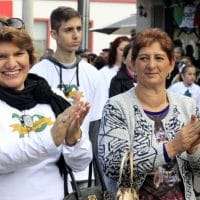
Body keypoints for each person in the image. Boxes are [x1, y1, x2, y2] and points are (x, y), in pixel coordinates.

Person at [98, 28, 200, 200]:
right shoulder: (116, 107)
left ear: (171, 65)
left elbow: (197, 169)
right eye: (144, 58)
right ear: (132, 64)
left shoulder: (187, 106)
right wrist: (172, 148)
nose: (151, 65)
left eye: (159, 58)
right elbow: (113, 165)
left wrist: (193, 150)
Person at [0, 26, 92, 200]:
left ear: (30, 57)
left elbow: (80, 164)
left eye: (19, 54)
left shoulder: (53, 98)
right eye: (1, 57)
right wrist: (51, 139)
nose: (11, 63)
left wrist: (74, 140)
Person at [30, 6, 107, 184]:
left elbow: (97, 126)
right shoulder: (37, 74)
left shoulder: (93, 74)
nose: (76, 35)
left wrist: (98, 171)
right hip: (46, 170)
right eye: (68, 30)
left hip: (83, 170)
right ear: (54, 34)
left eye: (79, 29)